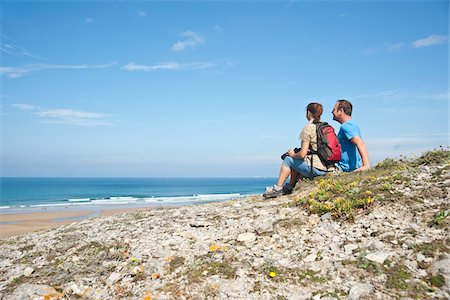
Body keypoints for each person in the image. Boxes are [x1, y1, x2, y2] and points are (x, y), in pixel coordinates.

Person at [263, 102, 333, 198]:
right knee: (295, 160)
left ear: (308, 113)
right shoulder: (326, 127)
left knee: (288, 160)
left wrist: (292, 154)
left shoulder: (308, 129)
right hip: (329, 168)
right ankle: (290, 186)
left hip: (317, 169)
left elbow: (302, 154)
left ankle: (277, 188)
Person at [332, 99, 370, 172]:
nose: (332, 112)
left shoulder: (347, 126)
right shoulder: (351, 124)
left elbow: (360, 143)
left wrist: (366, 165)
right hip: (348, 167)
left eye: (334, 109)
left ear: (340, 111)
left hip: (344, 168)